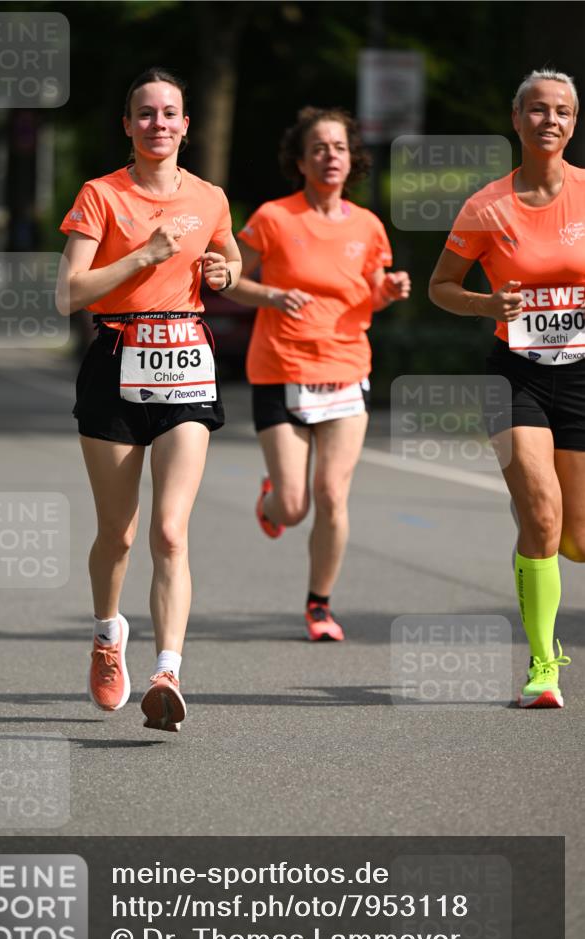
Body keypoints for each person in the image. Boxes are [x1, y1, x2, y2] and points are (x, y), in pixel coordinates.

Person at [56, 67, 241, 730]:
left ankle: (167, 671)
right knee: (119, 533)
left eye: (168, 113)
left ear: (186, 125)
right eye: (145, 113)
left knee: (169, 530)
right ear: (128, 125)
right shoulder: (101, 195)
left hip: (186, 365)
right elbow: (68, 293)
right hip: (115, 362)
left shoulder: (209, 197)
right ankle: (108, 636)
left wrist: (225, 272)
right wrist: (140, 257)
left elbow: (231, 260)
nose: (157, 123)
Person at [429, 69, 584, 708]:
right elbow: (441, 286)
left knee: (576, 540)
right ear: (517, 119)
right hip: (514, 375)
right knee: (542, 513)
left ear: (574, 123)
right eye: (538, 110)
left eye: (563, 111)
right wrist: (486, 304)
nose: (551, 120)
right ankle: (543, 665)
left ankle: (538, 516)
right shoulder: (486, 206)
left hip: (581, 375)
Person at [224, 107, 410, 640]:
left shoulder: (367, 225)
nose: (331, 157)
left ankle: (320, 605)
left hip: (346, 368)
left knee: (331, 495)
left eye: (340, 148)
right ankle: (272, 499)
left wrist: (388, 290)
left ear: (352, 160)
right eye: (320, 148)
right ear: (301, 161)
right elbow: (230, 279)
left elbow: (371, 291)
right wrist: (272, 295)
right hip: (280, 368)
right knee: (293, 507)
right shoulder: (273, 218)